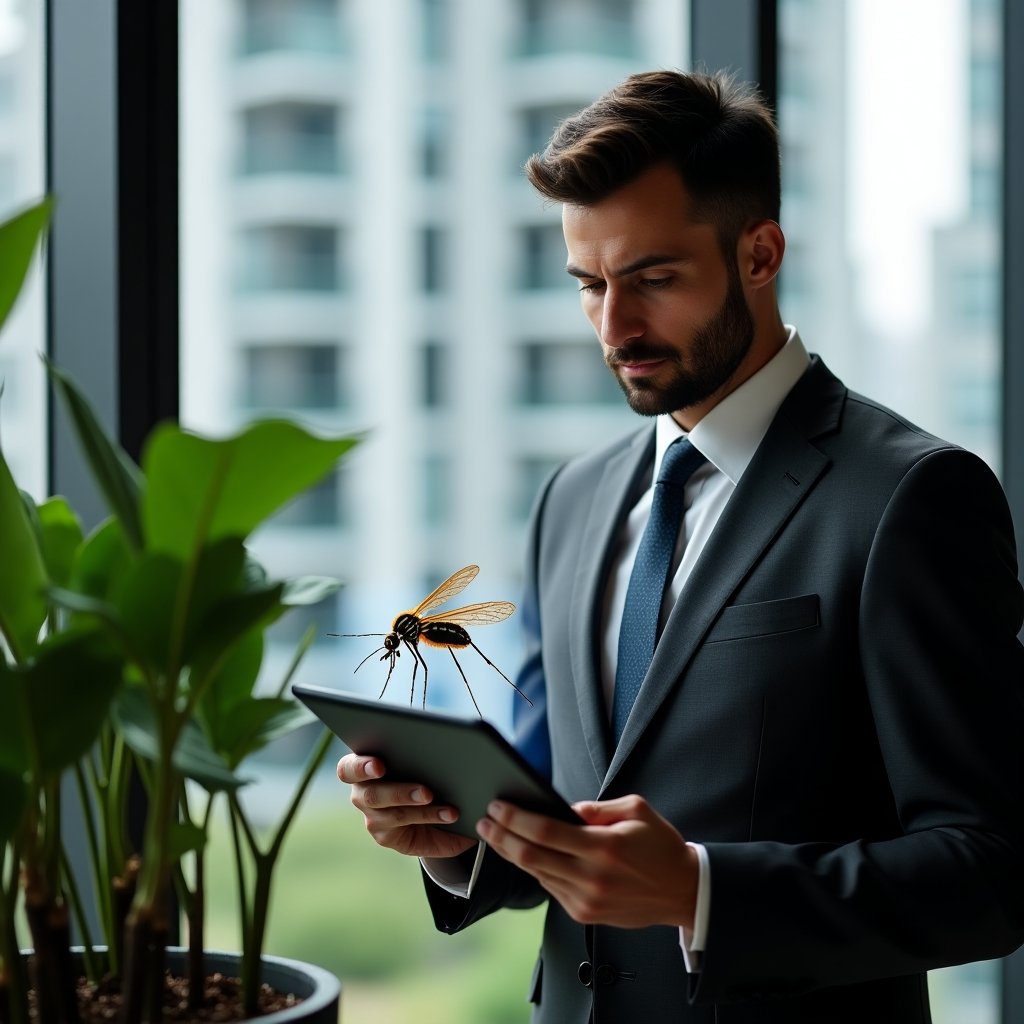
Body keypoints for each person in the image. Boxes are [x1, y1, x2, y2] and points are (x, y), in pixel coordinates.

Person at [337, 69, 1024, 1023]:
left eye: (654, 279)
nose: (614, 327)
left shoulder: (911, 497)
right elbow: (561, 810)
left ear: (760, 252)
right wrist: (453, 840)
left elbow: (991, 871)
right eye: (590, 285)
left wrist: (702, 891)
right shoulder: (571, 501)